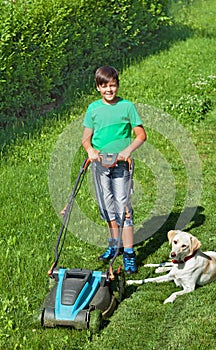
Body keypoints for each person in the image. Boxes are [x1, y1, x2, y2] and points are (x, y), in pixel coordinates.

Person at [82, 65, 146, 274]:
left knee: (124, 209)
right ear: (98, 87)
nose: (109, 89)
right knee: (107, 208)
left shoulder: (127, 107)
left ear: (117, 85)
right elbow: (86, 139)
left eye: (113, 85)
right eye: (104, 86)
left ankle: (128, 253)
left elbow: (140, 135)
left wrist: (127, 151)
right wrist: (91, 150)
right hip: (100, 165)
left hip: (120, 165)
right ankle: (114, 245)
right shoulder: (93, 109)